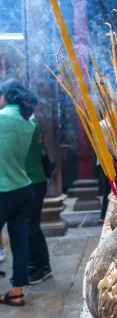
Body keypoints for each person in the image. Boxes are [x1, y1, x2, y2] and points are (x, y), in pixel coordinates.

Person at [0, 79, 36, 307]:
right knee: (20, 243)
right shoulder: (28, 123)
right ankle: (16, 291)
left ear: (6, 96)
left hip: (2, 189)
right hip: (23, 188)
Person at [25, 100, 52, 284]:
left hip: (34, 181)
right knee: (30, 227)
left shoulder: (31, 126)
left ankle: (42, 266)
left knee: (31, 227)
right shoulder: (33, 124)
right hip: (33, 180)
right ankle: (37, 264)